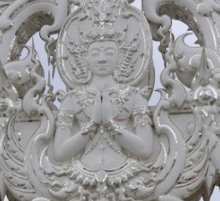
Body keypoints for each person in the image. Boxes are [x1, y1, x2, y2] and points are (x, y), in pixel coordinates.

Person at [53, 38, 153, 170]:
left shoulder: (134, 96)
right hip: (79, 172)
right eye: (95, 54)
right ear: (86, 59)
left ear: (120, 58)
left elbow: (145, 149)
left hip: (126, 171)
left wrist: (109, 123)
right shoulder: (72, 98)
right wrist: (93, 124)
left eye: (109, 53)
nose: (102, 59)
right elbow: (60, 153)